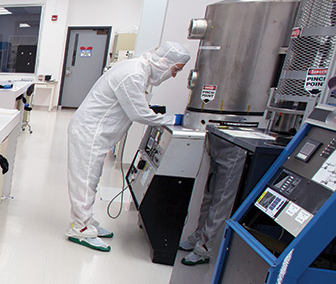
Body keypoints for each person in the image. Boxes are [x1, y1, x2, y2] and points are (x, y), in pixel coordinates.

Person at [66, 41, 191, 251]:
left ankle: (86, 219)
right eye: (175, 70)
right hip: (89, 132)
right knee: (85, 180)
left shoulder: (137, 71)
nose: (174, 75)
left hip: (95, 133)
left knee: (91, 178)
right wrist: (173, 119)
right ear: (164, 62)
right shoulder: (133, 74)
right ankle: (80, 228)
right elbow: (139, 113)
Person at [178, 136, 248, 265]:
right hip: (218, 139)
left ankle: (203, 249)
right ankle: (198, 236)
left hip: (235, 146)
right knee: (209, 195)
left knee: (221, 199)